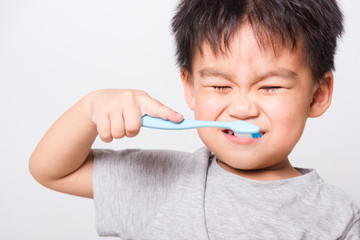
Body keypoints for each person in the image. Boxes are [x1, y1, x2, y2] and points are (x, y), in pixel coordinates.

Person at [29, 0, 360, 239]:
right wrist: (90, 108)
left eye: (271, 86)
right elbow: (52, 171)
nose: (242, 109)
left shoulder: (339, 219)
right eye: (219, 85)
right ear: (190, 88)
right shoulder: (160, 182)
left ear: (317, 94)